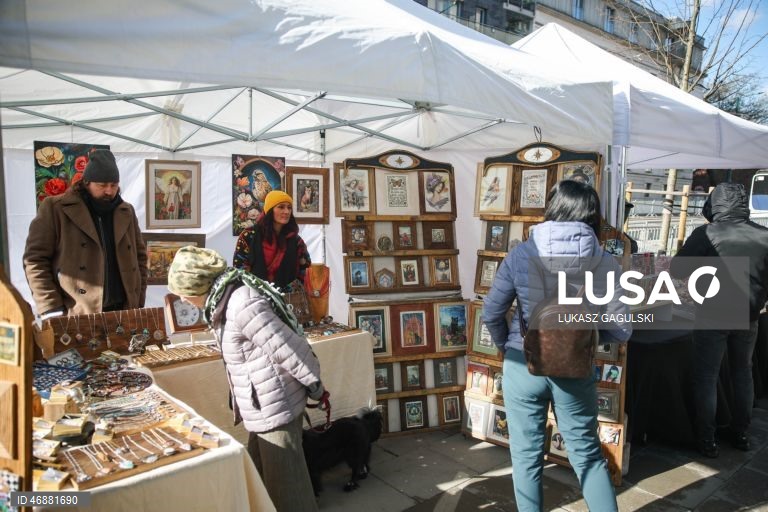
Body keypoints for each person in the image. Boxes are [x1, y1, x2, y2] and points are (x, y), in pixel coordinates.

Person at [483, 180, 631, 512]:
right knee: (588, 456)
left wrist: (506, 346)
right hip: (575, 369)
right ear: (592, 215)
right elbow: (622, 329)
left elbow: (491, 311)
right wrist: (585, 339)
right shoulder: (605, 262)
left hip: (522, 363)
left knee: (525, 456)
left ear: (552, 207)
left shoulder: (520, 254)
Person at [167, 246, 327, 511]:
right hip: (263, 405)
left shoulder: (241, 304)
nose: (182, 299)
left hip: (276, 405)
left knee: (288, 489)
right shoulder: (223, 300)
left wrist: (316, 387)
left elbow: (289, 348)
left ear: (198, 284)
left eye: (182, 292)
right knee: (261, 479)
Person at [670, 183, 768, 457]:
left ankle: (706, 439)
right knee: (743, 373)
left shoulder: (707, 233)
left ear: (715, 204)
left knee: (707, 377)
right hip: (749, 316)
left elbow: (677, 269)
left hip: (712, 314)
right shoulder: (764, 235)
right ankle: (741, 434)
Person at [23, 149, 147, 318]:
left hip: (124, 311)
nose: (109, 191)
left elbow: (140, 258)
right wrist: (51, 308)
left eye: (114, 185)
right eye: (102, 185)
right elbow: (35, 260)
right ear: (87, 182)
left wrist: (138, 300)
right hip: (77, 312)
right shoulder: (56, 209)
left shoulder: (126, 211)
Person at [233, 190, 311, 290]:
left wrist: (287, 291)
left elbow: (306, 269)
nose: (286, 211)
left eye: (289, 207)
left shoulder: (296, 241)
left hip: (287, 297)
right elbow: (239, 269)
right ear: (270, 210)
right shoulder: (249, 236)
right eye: (281, 207)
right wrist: (260, 291)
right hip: (254, 295)